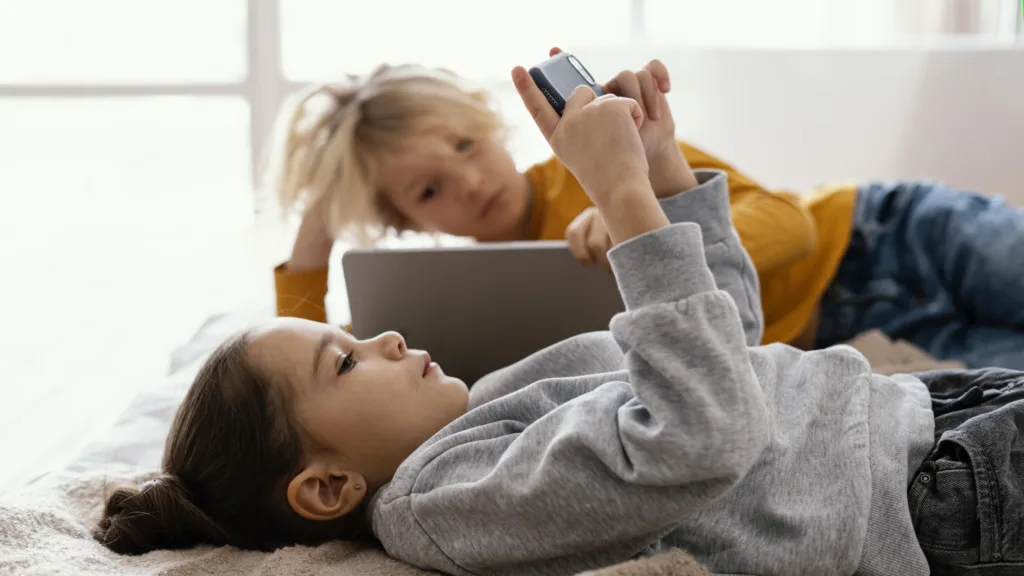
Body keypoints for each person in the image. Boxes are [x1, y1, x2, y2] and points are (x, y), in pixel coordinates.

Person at [94, 59, 1024, 576]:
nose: (381, 338)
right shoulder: (444, 502)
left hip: (909, 415)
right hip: (922, 491)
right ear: (330, 489)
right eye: (345, 363)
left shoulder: (484, 420)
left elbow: (723, 361)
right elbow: (705, 436)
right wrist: (625, 201)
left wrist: (663, 183)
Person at [269, 48, 1024, 370]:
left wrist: (641, 221)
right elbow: (339, 365)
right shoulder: (466, 300)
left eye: (465, 146)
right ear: (407, 224)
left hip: (885, 235)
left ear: (489, 123)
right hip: (855, 335)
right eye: (429, 191)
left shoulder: (599, 154)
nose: (467, 183)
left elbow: (790, 226)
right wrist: (312, 243)